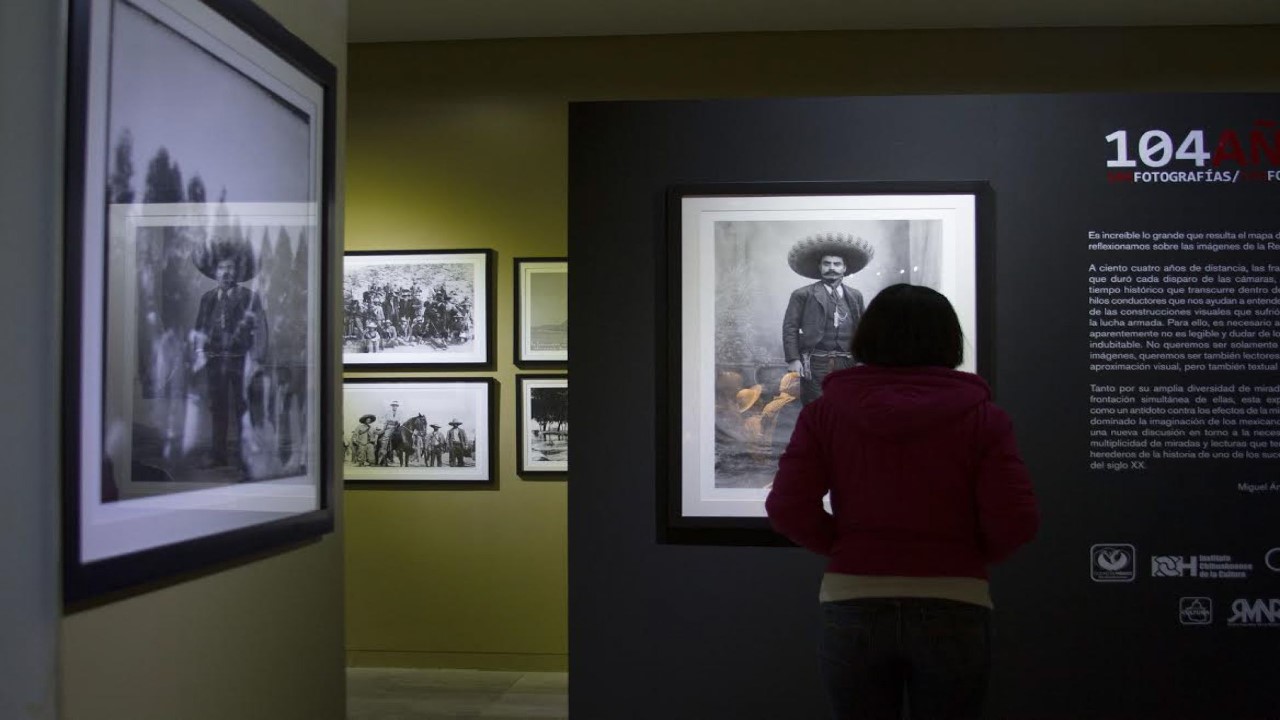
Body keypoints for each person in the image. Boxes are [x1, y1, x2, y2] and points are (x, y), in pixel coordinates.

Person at [765, 284, 1039, 720]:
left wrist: (846, 547)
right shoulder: (985, 418)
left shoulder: (825, 413)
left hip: (853, 594)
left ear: (867, 336)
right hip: (955, 596)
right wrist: (965, 556)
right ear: (949, 339)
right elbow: (1016, 518)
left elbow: (787, 507)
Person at [190, 237, 267, 469]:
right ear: (215, 272)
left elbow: (261, 329)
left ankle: (246, 456)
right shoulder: (208, 299)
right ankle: (218, 454)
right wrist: (198, 354)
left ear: (237, 272)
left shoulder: (248, 298)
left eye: (230, 268)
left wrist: (256, 359)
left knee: (243, 409)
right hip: (215, 362)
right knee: (218, 408)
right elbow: (200, 329)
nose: (226, 272)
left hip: (241, 361)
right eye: (222, 268)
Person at [782, 233, 873, 405]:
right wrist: (793, 359)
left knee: (847, 406)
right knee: (816, 407)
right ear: (820, 267)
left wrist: (863, 359)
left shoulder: (855, 296)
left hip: (848, 362)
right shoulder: (802, 294)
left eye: (837, 264)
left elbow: (864, 330)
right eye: (827, 263)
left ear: (844, 268)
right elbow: (790, 327)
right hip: (815, 362)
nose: (832, 268)